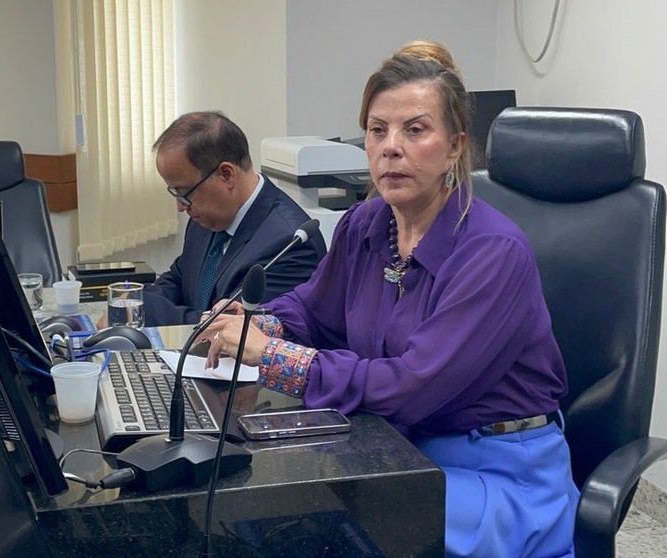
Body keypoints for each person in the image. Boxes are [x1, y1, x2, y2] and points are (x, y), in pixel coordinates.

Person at [202, 42, 579, 558]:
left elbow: (411, 388)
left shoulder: (493, 251)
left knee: (319, 528)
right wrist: (261, 321)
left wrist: (274, 359)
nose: (390, 147)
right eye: (378, 130)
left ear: (455, 147)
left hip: (497, 469)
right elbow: (316, 310)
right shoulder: (365, 224)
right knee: (250, 511)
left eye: (415, 130)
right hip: (395, 447)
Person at [98, 110, 327, 328]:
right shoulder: (207, 217)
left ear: (226, 174)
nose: (180, 206)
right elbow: (180, 278)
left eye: (184, 192)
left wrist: (145, 311)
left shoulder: (291, 244)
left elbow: (231, 328)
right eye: (175, 193)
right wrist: (132, 303)